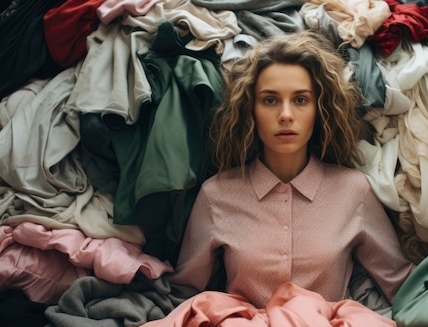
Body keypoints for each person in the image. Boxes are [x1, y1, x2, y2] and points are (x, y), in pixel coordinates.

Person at [169, 30, 415, 308]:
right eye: (270, 100)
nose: (285, 115)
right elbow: (185, 297)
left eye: (300, 100)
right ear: (250, 109)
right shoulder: (216, 195)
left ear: (319, 108)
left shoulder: (353, 190)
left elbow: (401, 285)